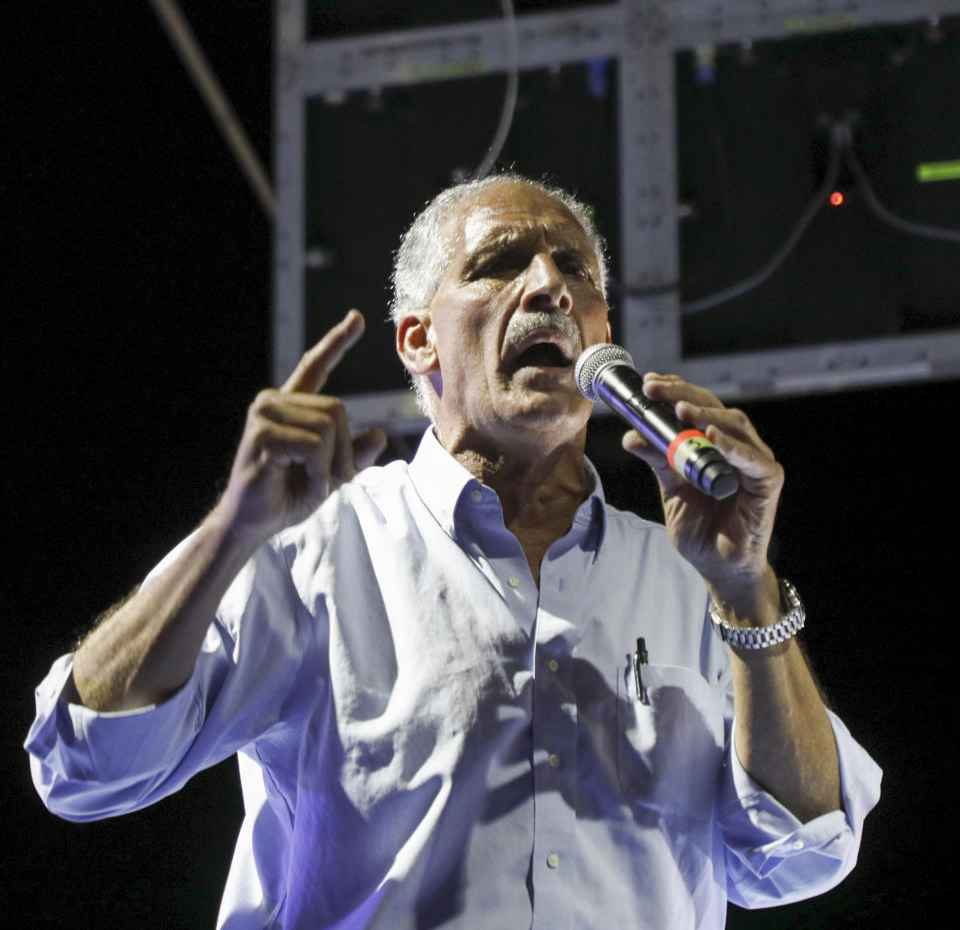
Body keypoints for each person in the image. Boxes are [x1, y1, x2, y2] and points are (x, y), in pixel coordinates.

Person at [26, 173, 881, 929]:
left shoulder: (690, 576)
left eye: (575, 271)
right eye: (500, 263)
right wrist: (229, 536)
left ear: (603, 332)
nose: (549, 286)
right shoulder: (315, 546)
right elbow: (85, 766)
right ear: (419, 341)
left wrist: (747, 589)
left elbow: (806, 855)